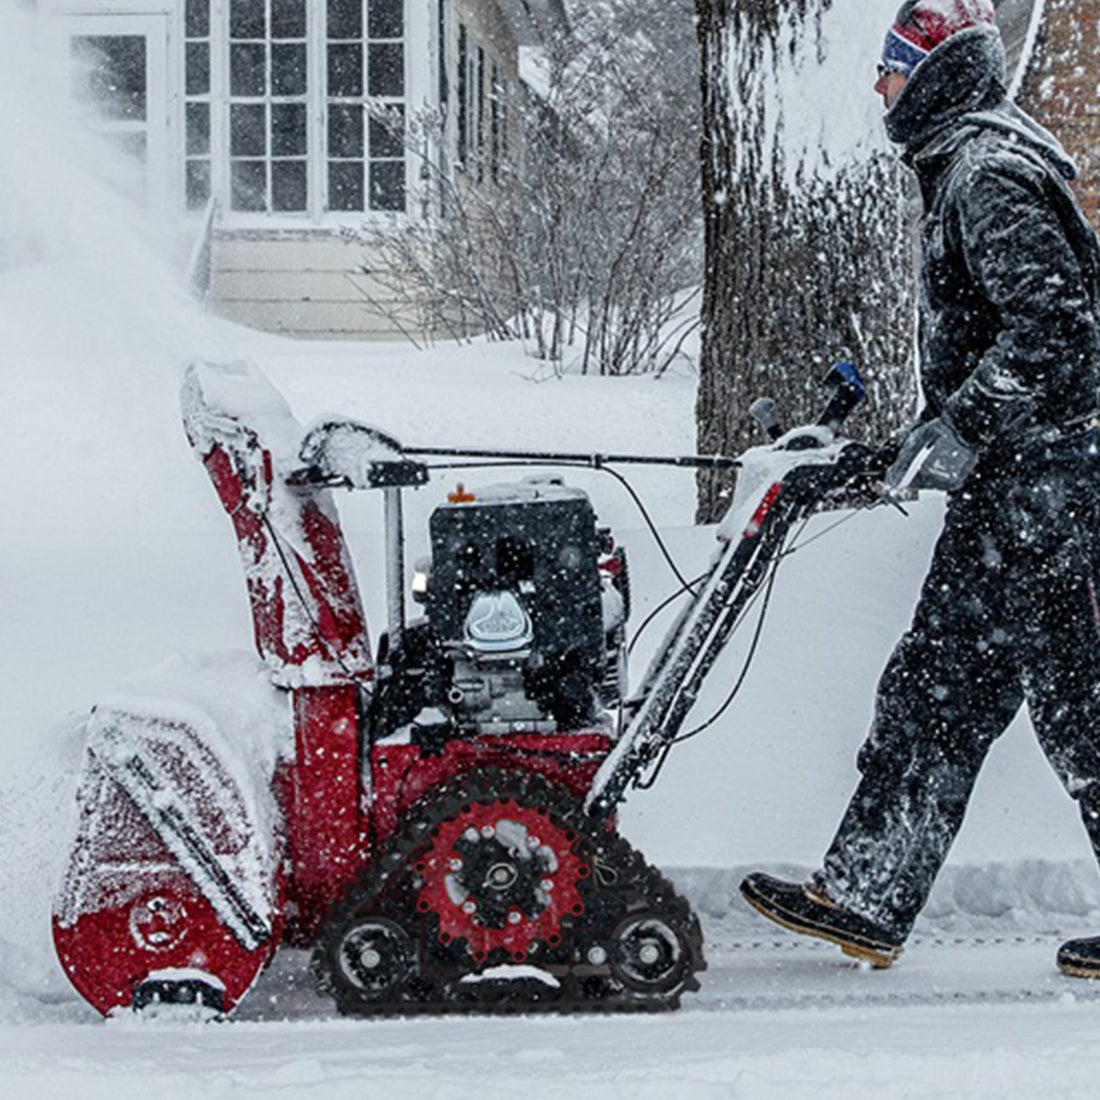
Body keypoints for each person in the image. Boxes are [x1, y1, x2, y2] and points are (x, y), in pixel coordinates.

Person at [740, 0, 1100, 977]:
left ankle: (868, 888)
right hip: (1005, 494)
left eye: (891, 66)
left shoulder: (987, 178)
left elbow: (1060, 332)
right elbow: (1003, 347)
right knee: (935, 690)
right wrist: (919, 442)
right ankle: (866, 891)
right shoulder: (966, 169)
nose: (877, 84)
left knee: (1083, 709)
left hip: (1053, 492)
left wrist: (961, 426)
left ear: (935, 74)